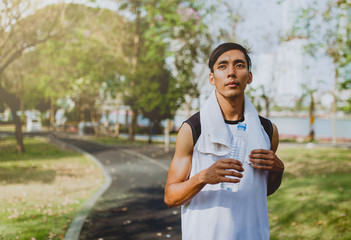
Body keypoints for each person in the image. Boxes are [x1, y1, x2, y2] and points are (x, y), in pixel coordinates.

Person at [164, 42, 284, 240]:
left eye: (239, 65)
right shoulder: (193, 128)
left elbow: (262, 191)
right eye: (222, 66)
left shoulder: (268, 131)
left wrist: (278, 170)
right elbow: (170, 197)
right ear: (212, 78)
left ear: (250, 76)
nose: (231, 73)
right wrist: (203, 177)